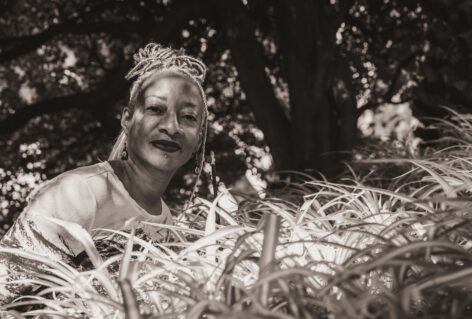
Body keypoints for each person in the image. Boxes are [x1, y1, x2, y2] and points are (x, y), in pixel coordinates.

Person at [0, 43, 209, 304]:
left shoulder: (169, 227)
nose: (171, 126)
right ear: (127, 120)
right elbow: (6, 296)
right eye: (156, 109)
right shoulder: (77, 193)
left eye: (188, 117)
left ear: (199, 138)